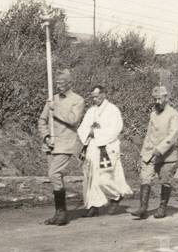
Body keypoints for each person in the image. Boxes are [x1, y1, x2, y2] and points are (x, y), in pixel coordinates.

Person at [38, 70, 86, 227]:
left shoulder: (77, 100)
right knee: (56, 179)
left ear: (69, 83)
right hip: (50, 144)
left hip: (65, 144)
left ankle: (62, 213)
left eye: (62, 83)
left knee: (53, 173)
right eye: (57, 83)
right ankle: (59, 213)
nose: (58, 86)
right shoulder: (52, 100)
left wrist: (56, 109)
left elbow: (73, 120)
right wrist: (46, 136)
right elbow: (42, 120)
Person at [76, 85, 131, 216]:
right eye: (92, 97)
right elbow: (82, 128)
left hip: (107, 147)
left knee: (104, 178)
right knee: (90, 177)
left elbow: (114, 130)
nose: (94, 99)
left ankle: (116, 196)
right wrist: (89, 132)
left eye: (96, 96)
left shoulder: (113, 110)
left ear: (103, 95)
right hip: (92, 148)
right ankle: (93, 206)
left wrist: (95, 133)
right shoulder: (91, 111)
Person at [134, 85, 178, 220]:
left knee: (165, 180)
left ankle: (162, 207)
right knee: (145, 177)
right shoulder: (153, 114)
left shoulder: (173, 114)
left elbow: (173, 135)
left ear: (166, 98)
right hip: (150, 152)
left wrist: (160, 149)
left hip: (166, 154)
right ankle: (143, 207)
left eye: (159, 99)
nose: (157, 102)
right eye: (154, 99)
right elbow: (149, 134)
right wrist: (144, 152)